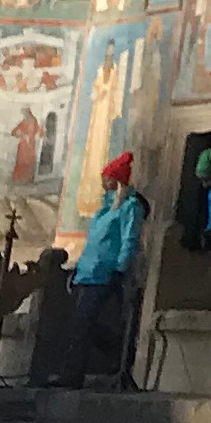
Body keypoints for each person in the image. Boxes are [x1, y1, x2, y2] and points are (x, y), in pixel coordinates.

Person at [58, 153, 146, 389]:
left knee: (84, 323)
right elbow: (93, 243)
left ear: (115, 180)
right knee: (81, 324)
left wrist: (120, 268)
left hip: (105, 273)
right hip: (87, 272)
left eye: (106, 178)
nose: (103, 182)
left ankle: (74, 375)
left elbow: (129, 239)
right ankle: (109, 358)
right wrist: (77, 270)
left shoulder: (130, 207)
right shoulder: (103, 210)